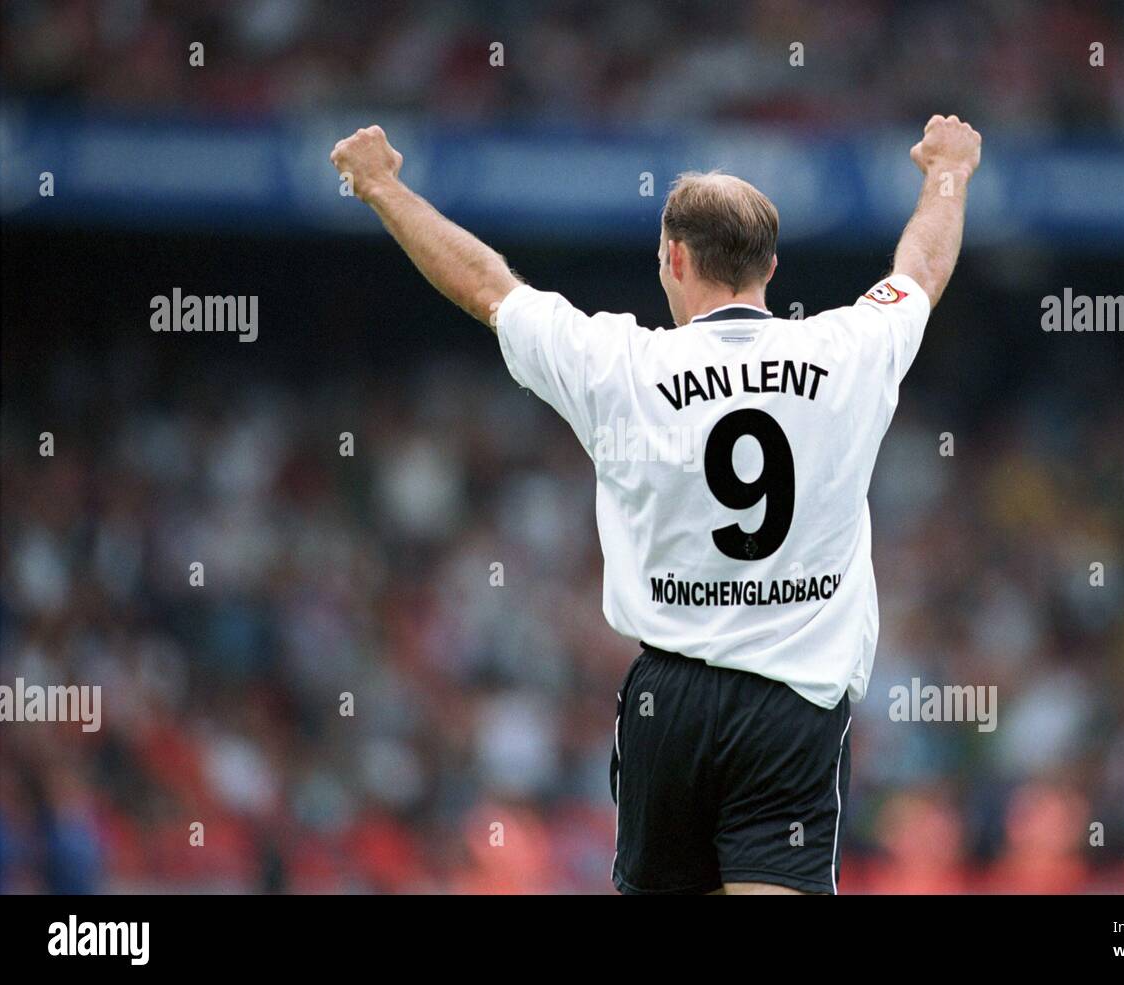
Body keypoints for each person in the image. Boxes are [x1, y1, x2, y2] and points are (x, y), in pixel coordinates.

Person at [330, 114, 981, 894]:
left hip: (667, 703)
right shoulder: (847, 350)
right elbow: (922, 270)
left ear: (673, 258)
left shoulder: (619, 364)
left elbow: (486, 286)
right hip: (792, 707)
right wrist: (950, 171)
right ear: (770, 265)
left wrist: (381, 186)